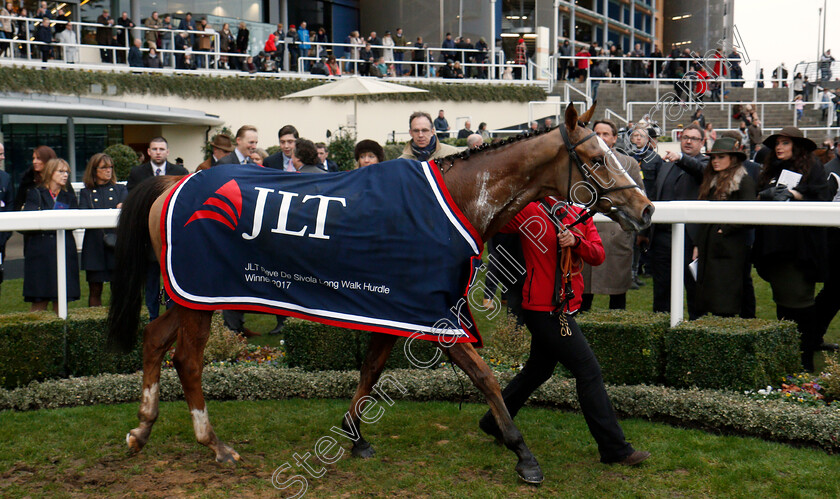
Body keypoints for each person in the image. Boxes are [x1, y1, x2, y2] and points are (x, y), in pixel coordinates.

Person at [478, 198, 650, 467]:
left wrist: (576, 242)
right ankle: (615, 449)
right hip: (544, 310)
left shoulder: (578, 212)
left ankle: (494, 422)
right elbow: (491, 220)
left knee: (538, 371)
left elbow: (597, 254)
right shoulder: (529, 209)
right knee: (588, 370)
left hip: (563, 306)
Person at [753, 127, 830, 372]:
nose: (778, 147)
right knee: (783, 305)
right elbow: (759, 200)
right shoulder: (770, 169)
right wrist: (763, 196)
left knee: (800, 305)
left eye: (785, 143)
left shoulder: (813, 169)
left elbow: (823, 200)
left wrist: (794, 195)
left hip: (799, 252)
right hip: (773, 249)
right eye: (777, 143)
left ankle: (804, 361)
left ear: (796, 146)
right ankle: (789, 358)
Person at [581, 120, 645, 311]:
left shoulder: (629, 164)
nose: (600, 138)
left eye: (606, 134)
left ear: (615, 138)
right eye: (597, 134)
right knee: (583, 294)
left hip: (616, 235)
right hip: (587, 233)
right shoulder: (580, 162)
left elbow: (639, 197)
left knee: (617, 294)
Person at [692, 137, 756, 318]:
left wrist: (724, 229)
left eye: (721, 157)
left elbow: (751, 215)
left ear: (733, 158)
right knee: (709, 292)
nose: (715, 161)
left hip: (730, 248)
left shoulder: (744, 181)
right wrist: (698, 243)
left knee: (726, 295)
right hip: (709, 246)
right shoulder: (712, 180)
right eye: (713, 158)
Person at [126, 137, 188, 320]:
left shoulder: (180, 172)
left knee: (171, 278)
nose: (158, 152)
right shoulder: (137, 173)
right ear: (149, 152)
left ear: (167, 152)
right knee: (152, 279)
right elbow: (131, 201)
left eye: (162, 149)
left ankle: (171, 314)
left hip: (173, 235)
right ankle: (152, 315)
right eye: (155, 149)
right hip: (147, 235)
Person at [650, 123, 707, 318]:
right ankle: (660, 329)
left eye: (694, 138)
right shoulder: (666, 165)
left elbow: (699, 170)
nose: (689, 141)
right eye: (685, 137)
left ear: (702, 142)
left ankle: (694, 333)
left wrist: (682, 158)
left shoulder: (705, 164)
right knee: (661, 289)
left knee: (694, 291)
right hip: (662, 238)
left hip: (689, 239)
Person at [22, 158, 80, 312]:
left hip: (64, 250)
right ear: (50, 173)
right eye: (61, 171)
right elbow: (29, 221)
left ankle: (62, 335)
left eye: (67, 171)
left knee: (61, 301)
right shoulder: (35, 193)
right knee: (39, 301)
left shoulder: (69, 197)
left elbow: (74, 223)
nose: (65, 175)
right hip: (41, 253)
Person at [79, 153, 127, 307]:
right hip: (94, 245)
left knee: (118, 289)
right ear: (94, 170)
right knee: (95, 289)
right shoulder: (86, 192)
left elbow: (126, 208)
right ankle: (94, 322)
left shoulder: (120, 189)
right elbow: (83, 214)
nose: (109, 171)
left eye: (110, 167)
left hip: (116, 244)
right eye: (104, 167)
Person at [15, 145, 60, 211]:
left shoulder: (61, 179)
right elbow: (18, 204)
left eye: (38, 158)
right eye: (33, 158)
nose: (34, 162)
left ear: (49, 160)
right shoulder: (28, 180)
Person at [0, 142, 13, 298]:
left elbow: (9, 205)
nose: (2, 158)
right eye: (0, 154)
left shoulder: (5, 178)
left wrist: (5, 235)